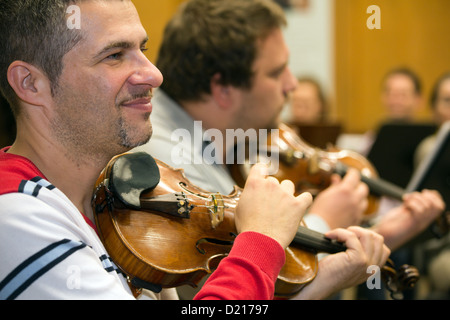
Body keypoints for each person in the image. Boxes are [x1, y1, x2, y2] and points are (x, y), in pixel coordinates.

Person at [0, 0, 389, 301]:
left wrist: (321, 284)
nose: (153, 74)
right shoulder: (17, 215)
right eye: (115, 55)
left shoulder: (107, 202)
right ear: (30, 83)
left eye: (142, 49)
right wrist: (261, 240)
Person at [134, 0, 444, 299]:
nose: (291, 84)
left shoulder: (200, 142)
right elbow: (229, 295)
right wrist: (323, 223)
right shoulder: (169, 164)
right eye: (276, 72)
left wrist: (377, 237)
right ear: (223, 87)